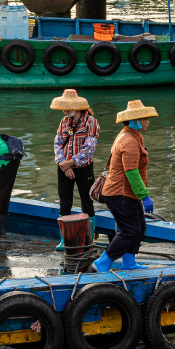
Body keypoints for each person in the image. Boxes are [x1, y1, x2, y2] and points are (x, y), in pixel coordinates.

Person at [93, 100, 156, 272]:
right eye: (145, 118)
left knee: (139, 227)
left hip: (128, 193)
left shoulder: (135, 136)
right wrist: (145, 195)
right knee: (130, 231)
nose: (148, 121)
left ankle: (129, 262)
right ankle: (103, 262)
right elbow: (131, 172)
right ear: (135, 121)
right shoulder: (128, 141)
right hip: (119, 193)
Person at [50, 89, 100, 250]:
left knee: (87, 202)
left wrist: (71, 162)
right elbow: (58, 144)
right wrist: (63, 164)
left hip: (83, 167)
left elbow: (89, 148)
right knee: (64, 202)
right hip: (64, 167)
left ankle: (89, 240)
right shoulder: (64, 121)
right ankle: (64, 241)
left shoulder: (91, 122)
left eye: (67, 107)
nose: (64, 111)